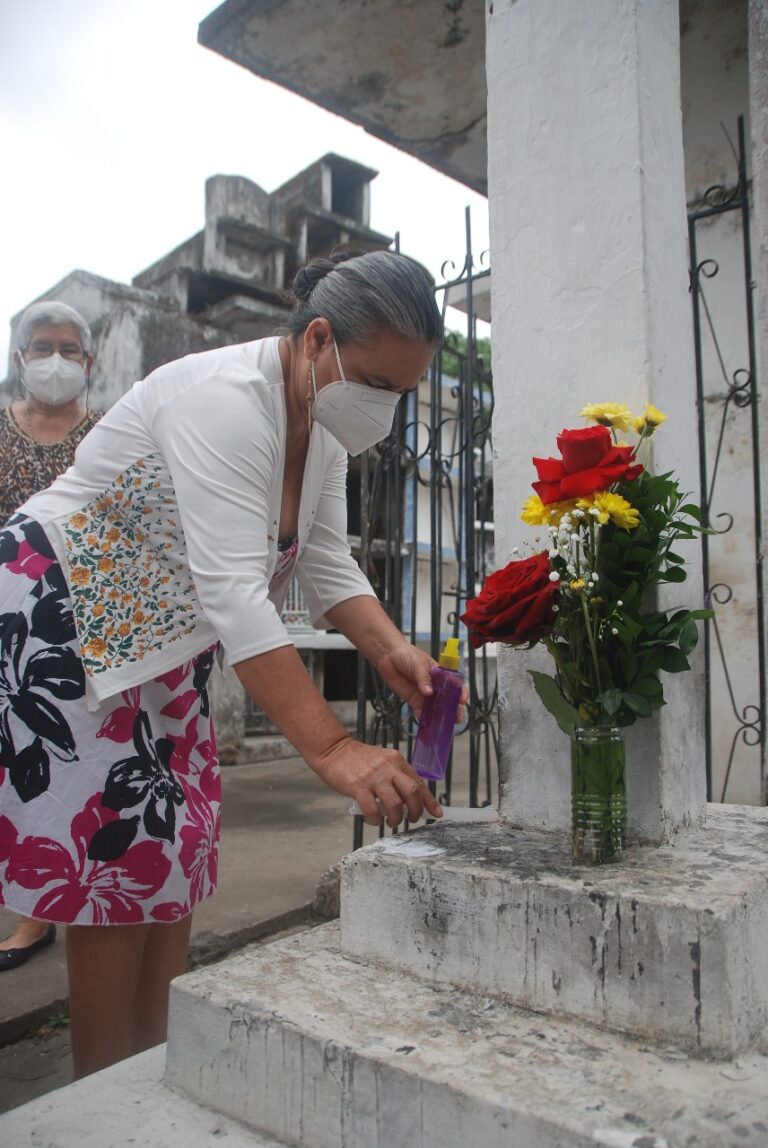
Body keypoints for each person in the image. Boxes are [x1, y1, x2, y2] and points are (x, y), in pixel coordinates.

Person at [0, 250, 453, 1079]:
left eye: (405, 392)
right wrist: (332, 746)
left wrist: (389, 648)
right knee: (115, 861)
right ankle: (103, 1101)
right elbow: (237, 595)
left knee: (169, 852)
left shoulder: (321, 429)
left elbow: (324, 559)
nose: (389, 409)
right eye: (381, 384)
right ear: (319, 339)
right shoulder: (225, 402)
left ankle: (151, 1072)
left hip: (156, 642)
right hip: (65, 625)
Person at [0, 301, 102, 974]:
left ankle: (36, 914)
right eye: (43, 346)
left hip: (74, 631)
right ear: (19, 357)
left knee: (55, 767)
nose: (56, 359)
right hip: (5, 618)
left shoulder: (106, 432)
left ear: (89, 363)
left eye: (70, 348)